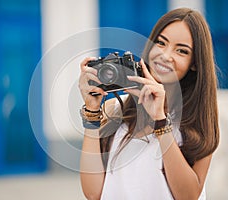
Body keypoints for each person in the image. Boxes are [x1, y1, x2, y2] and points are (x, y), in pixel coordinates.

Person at [78, 7, 220, 200]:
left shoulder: (198, 120)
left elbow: (188, 196)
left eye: (181, 51)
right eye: (161, 42)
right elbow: (93, 193)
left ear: (195, 63)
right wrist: (92, 111)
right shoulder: (114, 109)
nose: (165, 55)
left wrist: (160, 121)